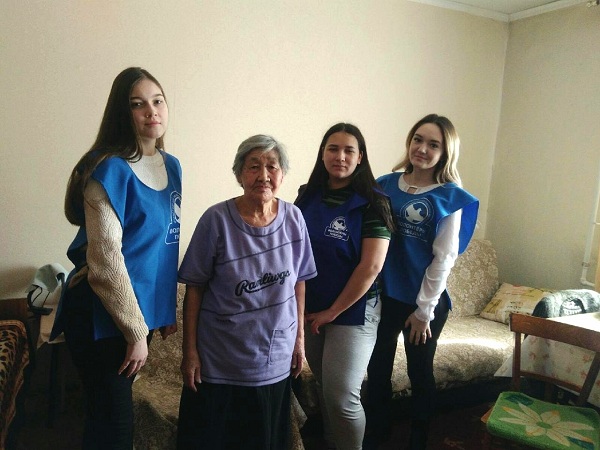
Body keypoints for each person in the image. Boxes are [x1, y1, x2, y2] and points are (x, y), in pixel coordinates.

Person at [50, 67, 182, 449]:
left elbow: (165, 246)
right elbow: (106, 261)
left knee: (108, 423)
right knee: (115, 427)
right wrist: (136, 332)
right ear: (122, 114)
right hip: (99, 312)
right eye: (138, 104)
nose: (151, 111)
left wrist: (163, 311)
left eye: (157, 101)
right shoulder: (109, 169)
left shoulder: (172, 166)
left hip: (134, 313)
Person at [176, 135, 317, 450]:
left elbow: (299, 282)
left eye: (272, 167)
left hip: (274, 362)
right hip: (219, 363)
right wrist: (190, 352)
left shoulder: (294, 219)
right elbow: (194, 289)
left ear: (282, 174)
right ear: (240, 174)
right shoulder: (216, 220)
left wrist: (299, 341)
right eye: (254, 167)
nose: (263, 176)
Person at [365, 114, 479, 450]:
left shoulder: (450, 197)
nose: (423, 149)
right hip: (386, 296)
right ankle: (378, 431)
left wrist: (423, 311)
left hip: (423, 304)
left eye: (433, 144)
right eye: (418, 139)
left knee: (419, 372)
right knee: (378, 369)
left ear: (445, 152)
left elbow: (444, 258)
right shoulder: (385, 184)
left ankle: (418, 439)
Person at [295, 123, 394, 450]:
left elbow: (371, 267)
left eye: (349, 150)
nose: (340, 156)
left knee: (342, 397)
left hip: (354, 309)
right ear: (323, 154)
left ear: (360, 157)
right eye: (333, 149)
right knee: (326, 387)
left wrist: (333, 311)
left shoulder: (373, 202)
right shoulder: (306, 195)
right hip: (311, 308)